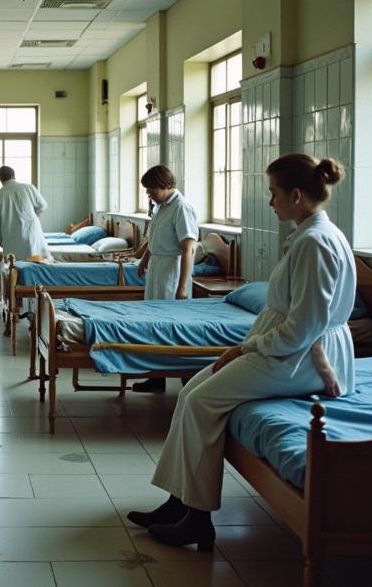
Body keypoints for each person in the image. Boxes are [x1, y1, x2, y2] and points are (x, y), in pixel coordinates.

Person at [127, 154, 356, 550]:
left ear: (297, 195)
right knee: (190, 392)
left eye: (274, 193)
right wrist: (248, 347)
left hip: (301, 358)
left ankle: (197, 519)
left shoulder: (316, 243)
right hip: (290, 349)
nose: (270, 202)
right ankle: (178, 501)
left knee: (200, 401)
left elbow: (304, 327)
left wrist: (247, 347)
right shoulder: (307, 235)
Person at [132, 165, 198, 392]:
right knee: (154, 324)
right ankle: (157, 378)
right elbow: (154, 239)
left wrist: (181, 287)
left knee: (171, 325)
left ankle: (185, 378)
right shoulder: (161, 206)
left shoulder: (181, 207)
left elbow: (188, 249)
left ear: (166, 186)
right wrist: (144, 262)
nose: (149, 194)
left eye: (152, 190)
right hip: (158, 268)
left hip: (172, 269)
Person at [0, 166, 51, 263]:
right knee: (35, 268)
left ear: (0, 179)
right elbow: (43, 206)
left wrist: (3, 242)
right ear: (14, 175)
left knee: (14, 272)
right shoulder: (28, 188)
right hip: (32, 238)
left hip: (12, 243)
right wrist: (33, 218)